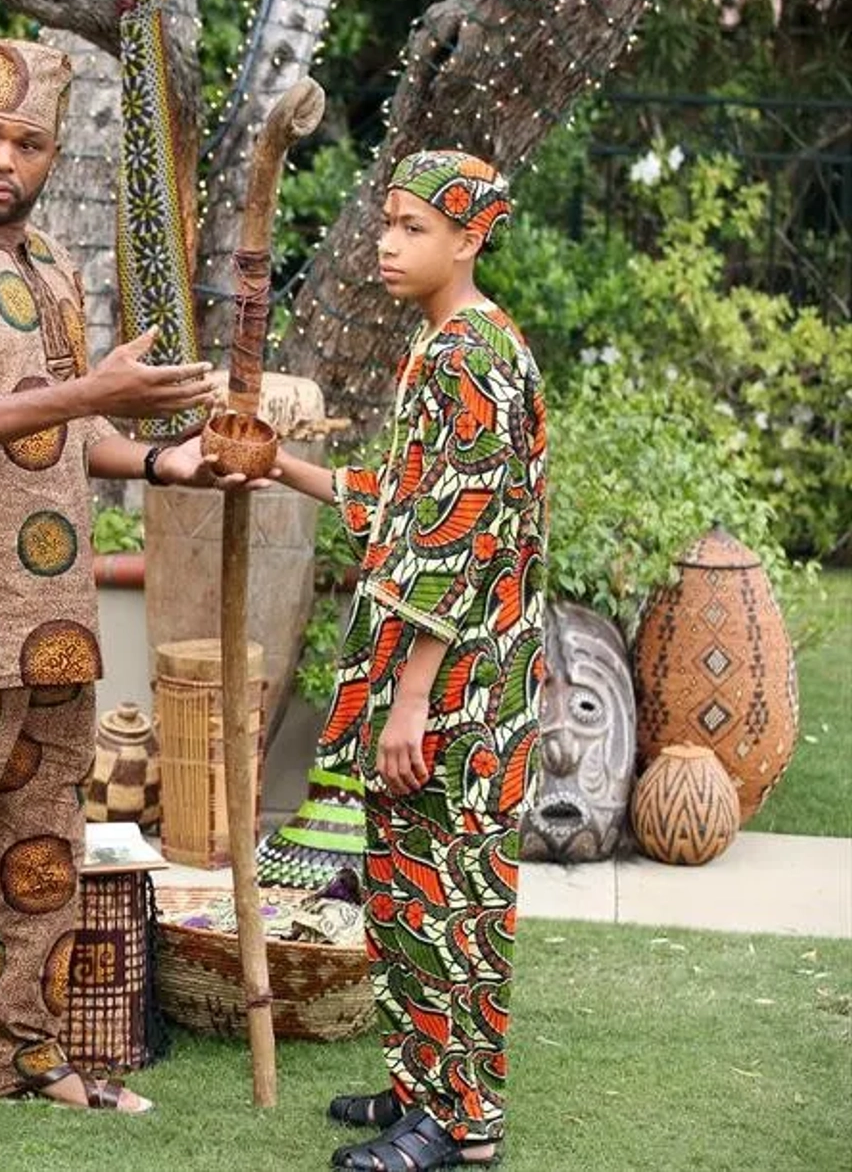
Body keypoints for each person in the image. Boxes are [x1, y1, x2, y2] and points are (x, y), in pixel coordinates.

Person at [0, 36, 263, 1154]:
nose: (2, 160)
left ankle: (19, 1057)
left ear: (52, 154)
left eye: (28, 143)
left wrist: (167, 460)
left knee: (40, 856)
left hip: (47, 624)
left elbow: (78, 429)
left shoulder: (54, 267)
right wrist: (94, 385)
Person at [263, 150, 547, 1170]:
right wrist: (284, 465)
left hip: (464, 688)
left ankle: (462, 1125)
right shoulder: (451, 344)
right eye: (386, 220)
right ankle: (421, 1084)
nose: (388, 242)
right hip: (454, 679)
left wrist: (411, 698)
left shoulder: (468, 353)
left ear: (469, 238)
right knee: (404, 882)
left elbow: (458, 533)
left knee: (454, 895)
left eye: (415, 226)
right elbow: (410, 502)